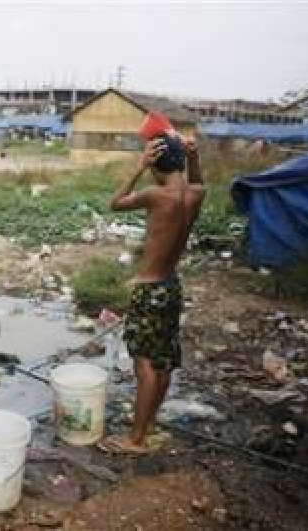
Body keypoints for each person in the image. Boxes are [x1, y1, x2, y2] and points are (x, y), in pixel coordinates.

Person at [98, 130, 205, 454]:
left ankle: (135, 440)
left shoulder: (157, 195)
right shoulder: (195, 193)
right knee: (164, 361)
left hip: (150, 289)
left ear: (156, 164)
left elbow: (115, 203)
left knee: (144, 365)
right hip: (171, 286)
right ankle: (148, 425)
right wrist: (194, 158)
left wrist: (137, 166)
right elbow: (197, 181)